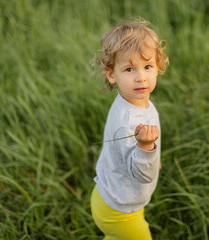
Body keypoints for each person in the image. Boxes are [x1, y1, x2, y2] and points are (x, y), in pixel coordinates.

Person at [91, 18, 169, 239]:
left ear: (158, 67)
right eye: (129, 69)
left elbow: (128, 156)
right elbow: (141, 175)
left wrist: (151, 156)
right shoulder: (129, 124)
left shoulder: (134, 102)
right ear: (111, 74)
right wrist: (145, 148)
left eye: (147, 67)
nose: (140, 77)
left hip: (111, 196)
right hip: (120, 211)